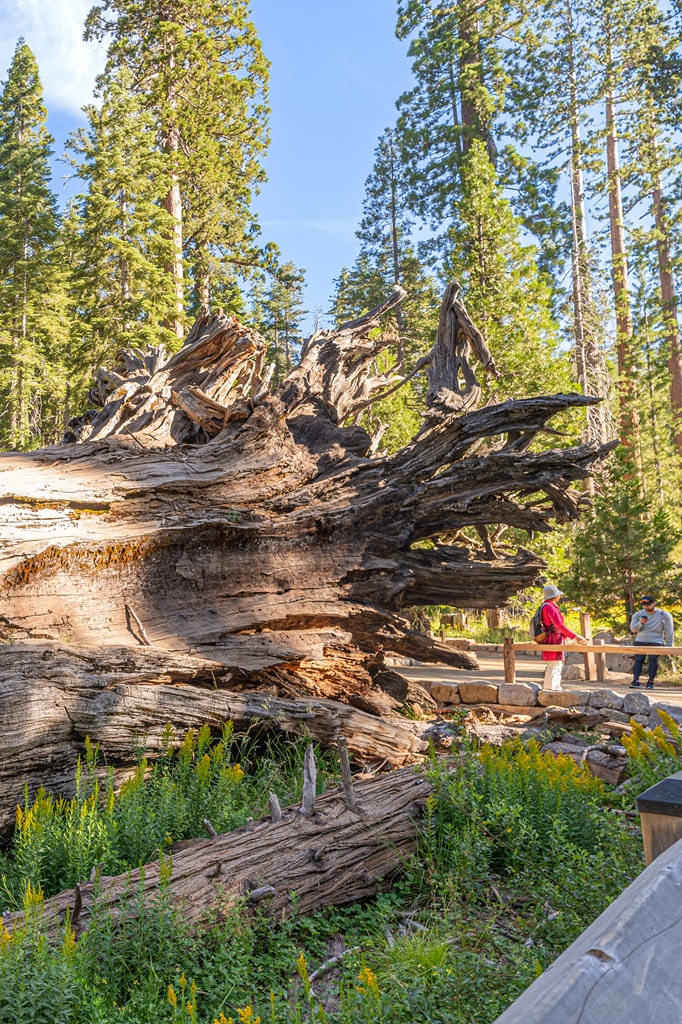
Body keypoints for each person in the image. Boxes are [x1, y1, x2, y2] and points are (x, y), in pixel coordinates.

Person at [539, 585, 588, 691]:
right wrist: (575, 637)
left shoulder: (545, 606)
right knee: (555, 664)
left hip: (550, 637)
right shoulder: (550, 607)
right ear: (555, 596)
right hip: (554, 639)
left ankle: (551, 688)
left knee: (554, 664)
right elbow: (559, 625)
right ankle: (552, 689)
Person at [629, 596, 674, 690]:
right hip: (641, 640)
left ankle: (650, 682)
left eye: (648, 604)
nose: (646, 607)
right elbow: (633, 630)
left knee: (652, 658)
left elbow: (669, 631)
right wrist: (641, 623)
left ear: (654, 603)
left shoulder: (664, 615)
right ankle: (635, 681)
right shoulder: (638, 615)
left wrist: (669, 646)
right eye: (644, 605)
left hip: (656, 640)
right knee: (639, 659)